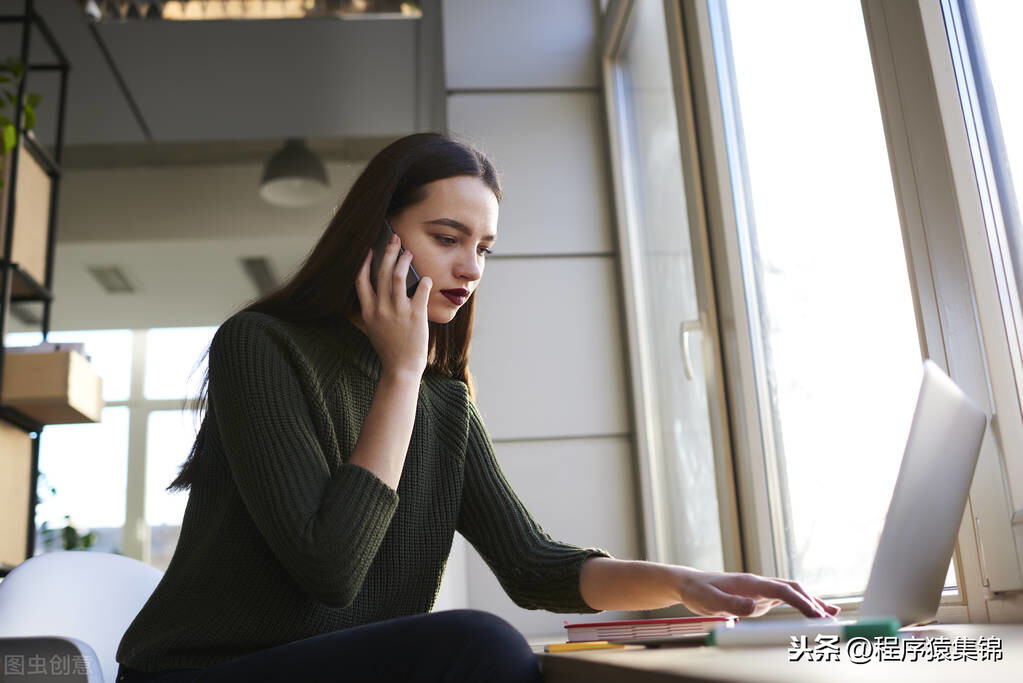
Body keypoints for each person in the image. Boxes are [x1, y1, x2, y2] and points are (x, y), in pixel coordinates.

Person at [114, 133, 838, 683]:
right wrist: (401, 370)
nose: (470, 268)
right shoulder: (261, 346)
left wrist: (682, 582)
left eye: (484, 247)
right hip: (200, 670)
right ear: (379, 235)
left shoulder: (441, 402)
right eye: (446, 238)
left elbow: (533, 565)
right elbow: (331, 569)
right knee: (482, 645)